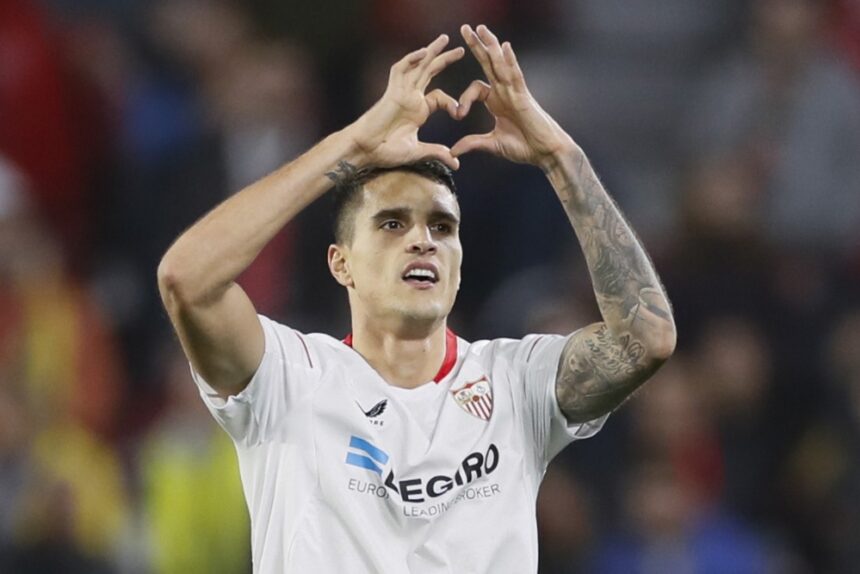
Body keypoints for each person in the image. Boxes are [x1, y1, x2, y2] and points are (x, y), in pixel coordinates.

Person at [157, 24, 676, 573]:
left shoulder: (516, 382)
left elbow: (644, 340)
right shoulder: (287, 378)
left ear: (458, 263)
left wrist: (561, 158)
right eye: (392, 223)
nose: (423, 240)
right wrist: (353, 145)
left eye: (442, 227)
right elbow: (187, 280)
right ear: (340, 263)